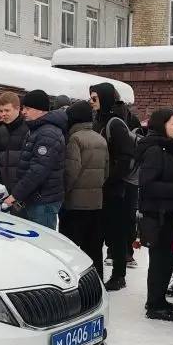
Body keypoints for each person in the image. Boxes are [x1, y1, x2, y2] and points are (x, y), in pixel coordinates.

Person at [137, 109, 173, 321]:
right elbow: (147, 184)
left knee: (166, 260)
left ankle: (159, 299)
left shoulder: (167, 148)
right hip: (157, 215)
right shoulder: (154, 150)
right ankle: (154, 305)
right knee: (159, 261)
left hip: (167, 213)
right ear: (162, 125)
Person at [90, 82, 138, 291]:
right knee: (99, 232)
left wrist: (111, 180)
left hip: (115, 189)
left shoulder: (115, 123)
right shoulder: (98, 120)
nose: (91, 102)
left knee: (116, 233)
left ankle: (119, 275)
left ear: (105, 98)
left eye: (94, 98)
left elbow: (125, 157)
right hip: (100, 187)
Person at [4, 90, 67, 229]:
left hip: (42, 202)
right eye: (23, 108)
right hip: (33, 198)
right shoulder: (36, 129)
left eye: (28, 108)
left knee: (42, 240)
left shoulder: (48, 133)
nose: (23, 112)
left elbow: (38, 171)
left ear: (41, 110)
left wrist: (16, 195)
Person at [61, 100, 109, 275]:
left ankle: (75, 283)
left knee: (72, 249)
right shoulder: (101, 139)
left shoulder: (74, 139)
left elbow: (71, 172)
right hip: (96, 202)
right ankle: (97, 281)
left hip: (75, 204)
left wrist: (64, 192)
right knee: (94, 248)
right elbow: (106, 172)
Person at [0, 92, 28, 194]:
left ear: (18, 109)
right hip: (5, 191)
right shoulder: (1, 131)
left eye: (7, 110)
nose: (2, 114)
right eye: (1, 111)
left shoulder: (28, 130)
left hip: (24, 192)